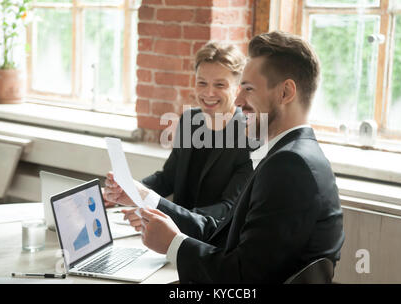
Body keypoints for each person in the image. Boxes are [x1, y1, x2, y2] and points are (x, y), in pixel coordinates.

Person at [106, 31, 345, 283]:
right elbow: (224, 233)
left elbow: (244, 276)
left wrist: (174, 245)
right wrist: (152, 207)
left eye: (248, 89)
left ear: (285, 93)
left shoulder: (289, 165)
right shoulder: (290, 154)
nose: (239, 101)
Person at [104, 42, 253, 221]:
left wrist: (161, 213)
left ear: (237, 89)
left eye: (220, 85)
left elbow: (228, 209)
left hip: (212, 242)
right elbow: (168, 178)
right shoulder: (190, 120)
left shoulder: (250, 134)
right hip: (174, 234)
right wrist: (128, 190)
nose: (209, 93)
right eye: (202, 83)